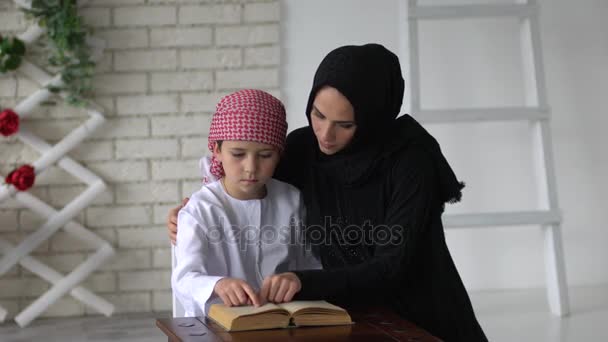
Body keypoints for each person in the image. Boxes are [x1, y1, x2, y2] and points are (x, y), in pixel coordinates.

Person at [168, 44, 487, 341]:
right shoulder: (302, 148)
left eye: (345, 124)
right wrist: (185, 215)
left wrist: (304, 281)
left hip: (416, 314)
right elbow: (245, 184)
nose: (325, 135)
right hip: (337, 314)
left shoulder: (411, 162)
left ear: (372, 118)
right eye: (318, 115)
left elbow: (392, 266)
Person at [172, 89, 321, 317]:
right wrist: (218, 284)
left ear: (279, 155)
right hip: (215, 324)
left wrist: (297, 280)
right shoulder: (200, 210)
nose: (251, 167)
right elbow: (185, 278)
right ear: (217, 151)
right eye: (238, 154)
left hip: (282, 321)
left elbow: (309, 261)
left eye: (265, 155)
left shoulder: (292, 199)